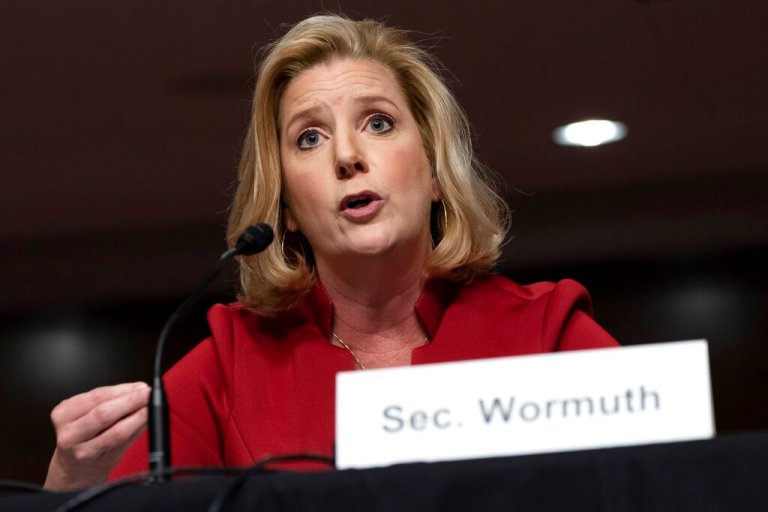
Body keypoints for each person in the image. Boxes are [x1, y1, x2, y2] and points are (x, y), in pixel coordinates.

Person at [43, 14, 619, 491]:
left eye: (378, 122)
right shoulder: (227, 364)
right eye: (308, 138)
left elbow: (668, 483)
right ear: (287, 206)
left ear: (437, 171)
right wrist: (71, 480)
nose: (346, 154)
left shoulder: (548, 334)